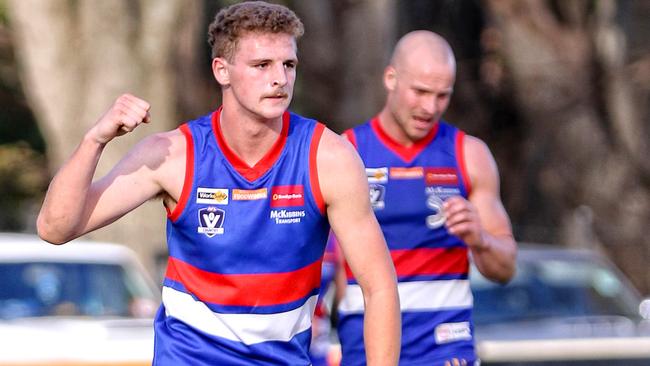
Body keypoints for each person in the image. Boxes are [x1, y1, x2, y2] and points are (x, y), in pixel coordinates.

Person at [36, 2, 400, 365]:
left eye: (288, 64)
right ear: (222, 71)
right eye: (261, 65)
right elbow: (55, 228)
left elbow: (380, 288)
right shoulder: (175, 155)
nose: (280, 79)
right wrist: (94, 140)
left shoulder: (329, 158)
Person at [335, 30, 517, 366]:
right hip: (366, 340)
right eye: (419, 92)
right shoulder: (346, 152)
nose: (429, 108)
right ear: (391, 78)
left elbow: (506, 269)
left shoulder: (469, 154)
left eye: (442, 95)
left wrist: (480, 239)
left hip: (445, 343)